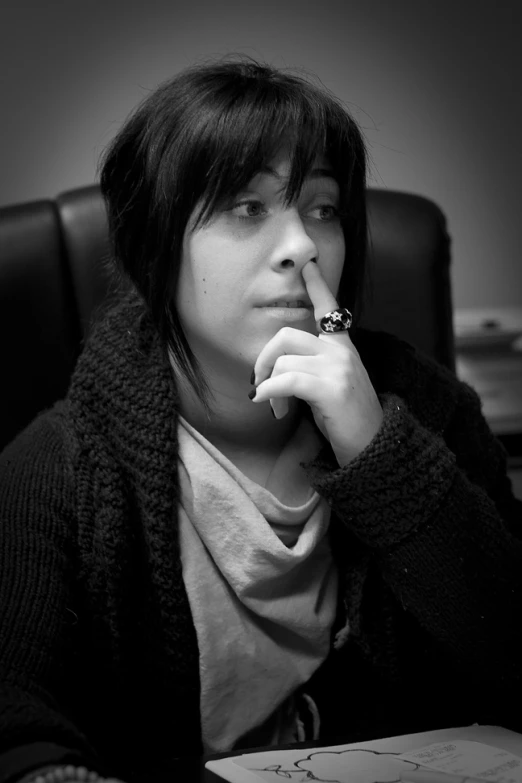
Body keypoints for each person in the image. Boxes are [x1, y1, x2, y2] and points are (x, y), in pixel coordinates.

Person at [0, 55, 521, 783]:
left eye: (322, 207)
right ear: (154, 245)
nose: (304, 245)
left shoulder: (431, 412)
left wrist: (378, 450)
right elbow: (17, 730)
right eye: (248, 209)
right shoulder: (58, 469)